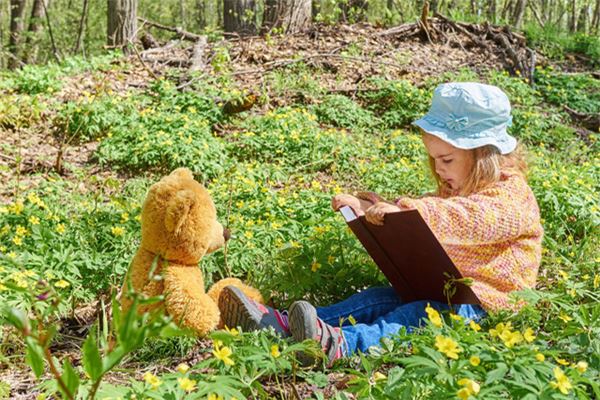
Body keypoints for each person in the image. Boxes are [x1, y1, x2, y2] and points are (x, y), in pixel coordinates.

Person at [218, 82, 544, 364]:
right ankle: (283, 326)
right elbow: (421, 223)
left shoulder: (512, 197)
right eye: (433, 159)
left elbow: (466, 221)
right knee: (375, 298)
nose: (439, 169)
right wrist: (371, 209)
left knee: (413, 318)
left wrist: (403, 212)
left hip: (486, 309)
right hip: (444, 293)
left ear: (482, 154)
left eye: (446, 160)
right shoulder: (456, 189)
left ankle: (341, 346)